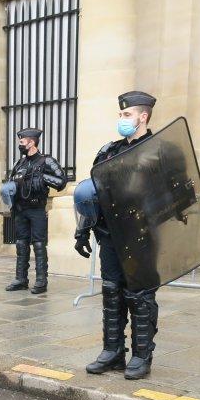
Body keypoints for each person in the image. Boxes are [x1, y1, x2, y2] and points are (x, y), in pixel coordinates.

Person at [75, 90, 161, 380]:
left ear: (143, 116)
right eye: (120, 114)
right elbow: (93, 194)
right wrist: (83, 229)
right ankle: (112, 351)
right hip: (110, 234)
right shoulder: (109, 151)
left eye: (126, 114)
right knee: (112, 291)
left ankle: (141, 355)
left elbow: (176, 194)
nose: (121, 119)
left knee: (139, 294)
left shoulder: (160, 150)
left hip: (140, 234)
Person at [3, 127, 66, 294]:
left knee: (38, 244)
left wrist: (42, 178)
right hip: (20, 209)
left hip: (36, 209)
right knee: (21, 244)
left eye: (22, 142)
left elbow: (61, 181)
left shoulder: (47, 161)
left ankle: (41, 281)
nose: (20, 145)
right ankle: (21, 279)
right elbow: (10, 182)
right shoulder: (20, 163)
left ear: (32, 142)